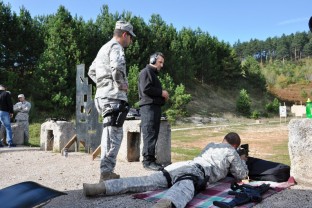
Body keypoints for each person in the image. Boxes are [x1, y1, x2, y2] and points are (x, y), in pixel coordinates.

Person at [83, 132, 249, 208]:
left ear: (224, 139)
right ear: (235, 145)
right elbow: (241, 174)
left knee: (143, 181)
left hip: (179, 166)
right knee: (180, 192)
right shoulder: (231, 151)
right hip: (196, 172)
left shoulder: (212, 144)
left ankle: (100, 187)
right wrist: (242, 159)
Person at [88, 20, 135, 182]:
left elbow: (91, 71)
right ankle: (106, 172)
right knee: (114, 135)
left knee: (109, 132)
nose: (131, 41)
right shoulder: (116, 47)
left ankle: (106, 170)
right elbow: (117, 67)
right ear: (124, 34)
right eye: (130, 37)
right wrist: (120, 83)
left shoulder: (103, 48)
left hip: (102, 96)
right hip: (113, 97)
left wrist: (103, 84)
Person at [138, 52, 169, 171]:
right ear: (152, 60)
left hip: (154, 108)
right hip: (148, 108)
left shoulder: (152, 74)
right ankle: (147, 162)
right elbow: (146, 88)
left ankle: (151, 159)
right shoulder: (146, 72)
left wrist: (163, 98)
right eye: (160, 62)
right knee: (150, 133)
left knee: (153, 133)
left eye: (162, 63)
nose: (161, 65)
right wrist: (162, 93)